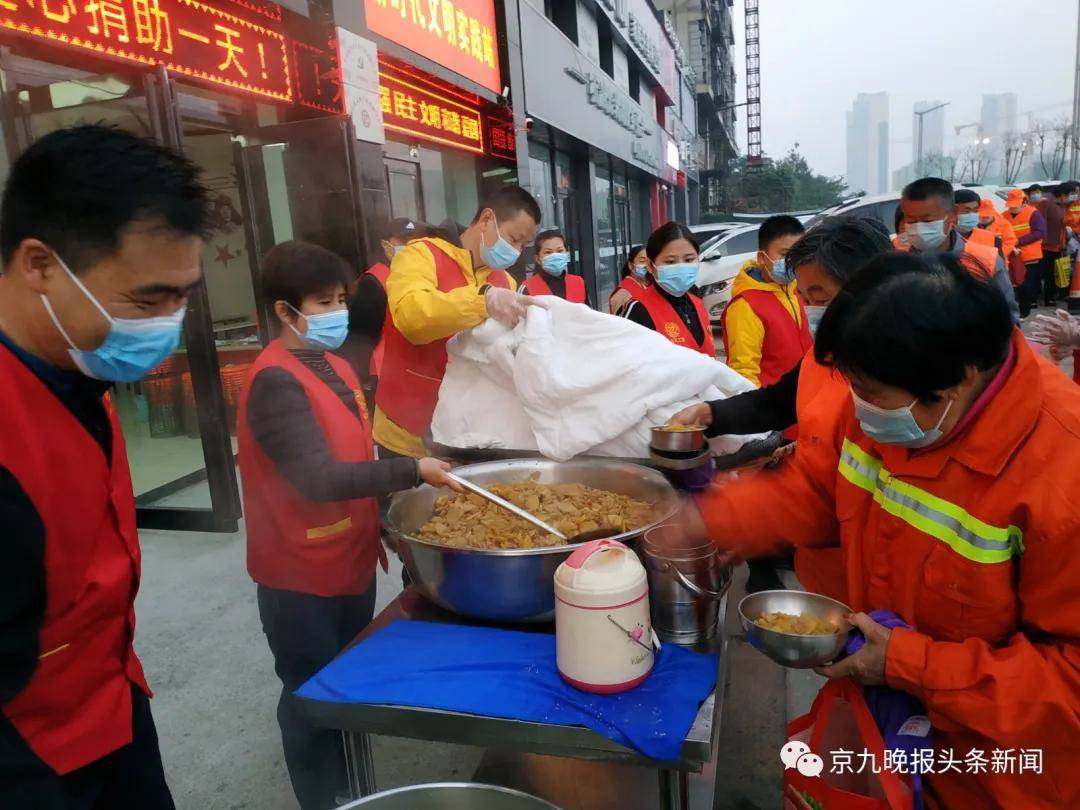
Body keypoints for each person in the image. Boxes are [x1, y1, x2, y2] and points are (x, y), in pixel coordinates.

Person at [696, 251, 1080, 809]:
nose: (858, 405)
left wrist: (905, 663)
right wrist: (706, 522)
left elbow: (1069, 681)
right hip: (888, 737)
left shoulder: (1061, 471)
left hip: (997, 775)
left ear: (957, 381)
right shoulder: (885, 398)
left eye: (869, 392)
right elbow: (818, 492)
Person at [0, 125, 210, 808]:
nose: (168, 323)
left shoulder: (73, 367)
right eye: (149, 301)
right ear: (39, 264)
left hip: (113, 704)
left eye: (184, 295)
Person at [237, 241, 460, 810]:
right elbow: (314, 478)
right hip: (299, 575)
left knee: (344, 679)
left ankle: (348, 782)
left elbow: (354, 450)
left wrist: (386, 520)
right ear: (286, 312)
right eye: (322, 302)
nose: (336, 312)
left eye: (341, 299)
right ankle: (322, 798)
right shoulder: (274, 383)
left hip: (350, 558)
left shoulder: (335, 364)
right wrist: (414, 469)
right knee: (309, 691)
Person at [670, 215, 892, 595]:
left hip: (878, 573)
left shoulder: (900, 381)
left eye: (819, 298)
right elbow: (780, 399)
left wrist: (734, 517)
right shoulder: (831, 351)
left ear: (870, 289)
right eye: (805, 297)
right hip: (829, 571)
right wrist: (713, 414)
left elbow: (827, 495)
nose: (810, 308)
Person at [373, 186, 542, 459]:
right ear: (487, 219)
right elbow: (411, 317)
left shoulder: (504, 281)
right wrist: (481, 302)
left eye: (523, 245)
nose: (517, 251)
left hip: (471, 435)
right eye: (514, 239)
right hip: (408, 432)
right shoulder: (420, 255)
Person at [902, 177, 1019, 323]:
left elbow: (1008, 319)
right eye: (911, 221)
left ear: (952, 215)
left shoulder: (987, 261)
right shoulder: (896, 264)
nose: (918, 227)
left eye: (927, 221)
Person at [721, 215, 810, 387]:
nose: (792, 261)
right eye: (785, 254)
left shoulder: (801, 291)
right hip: (770, 406)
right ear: (762, 257)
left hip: (805, 400)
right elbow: (744, 372)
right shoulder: (746, 305)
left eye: (798, 254)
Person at [343, 217, 420, 392]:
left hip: (411, 370)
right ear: (385, 245)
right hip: (383, 375)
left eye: (414, 240)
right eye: (403, 241)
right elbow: (361, 338)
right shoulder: (373, 284)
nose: (411, 246)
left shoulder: (417, 275)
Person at [621, 221, 714, 356]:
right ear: (650, 266)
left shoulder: (698, 303)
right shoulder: (638, 309)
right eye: (670, 262)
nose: (681, 267)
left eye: (689, 260)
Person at [1005, 187, 1047, 317]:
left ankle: (1024, 312)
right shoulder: (1003, 216)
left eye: (1015, 205)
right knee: (1014, 285)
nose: (1012, 208)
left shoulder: (1033, 213)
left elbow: (1040, 232)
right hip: (1012, 255)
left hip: (1030, 256)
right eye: (1011, 206)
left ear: (1024, 202)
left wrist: (1018, 241)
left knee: (1026, 285)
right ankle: (1017, 311)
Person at [519, 228, 589, 304]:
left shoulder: (579, 282)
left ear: (566, 254)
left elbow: (589, 314)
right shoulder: (527, 287)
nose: (555, 255)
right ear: (538, 259)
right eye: (548, 252)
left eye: (559, 251)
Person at [1041, 184, 1069, 307]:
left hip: (1059, 244)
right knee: (1049, 273)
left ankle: (1055, 295)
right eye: (1068, 195)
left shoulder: (1063, 206)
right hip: (1047, 245)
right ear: (1062, 195)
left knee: (1058, 271)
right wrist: (1044, 239)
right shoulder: (1047, 203)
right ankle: (1048, 298)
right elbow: (1041, 222)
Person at [608, 244, 650, 314]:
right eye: (642, 261)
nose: (646, 266)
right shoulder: (623, 293)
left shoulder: (644, 286)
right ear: (630, 265)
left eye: (649, 262)